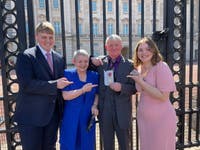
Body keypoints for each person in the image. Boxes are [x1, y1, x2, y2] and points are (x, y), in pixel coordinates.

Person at [14, 21, 72, 150]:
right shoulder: (26, 56)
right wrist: (55, 84)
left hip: (52, 116)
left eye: (50, 37)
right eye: (44, 37)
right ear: (37, 37)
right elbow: (27, 84)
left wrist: (91, 62)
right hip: (32, 117)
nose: (48, 40)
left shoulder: (59, 58)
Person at [127, 37, 177, 150]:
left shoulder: (161, 67)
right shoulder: (139, 68)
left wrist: (140, 81)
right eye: (140, 50)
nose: (144, 52)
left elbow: (163, 96)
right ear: (137, 52)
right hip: (144, 119)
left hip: (161, 119)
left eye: (147, 49)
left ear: (154, 51)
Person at [90, 34, 137, 150]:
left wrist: (122, 87)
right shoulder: (100, 63)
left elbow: (134, 88)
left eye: (116, 45)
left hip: (123, 112)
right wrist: (91, 59)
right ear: (106, 47)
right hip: (105, 113)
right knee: (107, 145)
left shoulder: (130, 65)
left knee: (125, 145)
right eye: (110, 45)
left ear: (121, 46)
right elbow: (82, 64)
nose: (113, 48)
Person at [60, 49, 99, 150]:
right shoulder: (68, 74)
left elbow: (97, 94)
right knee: (70, 143)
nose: (83, 64)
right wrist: (82, 90)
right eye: (80, 61)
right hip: (71, 116)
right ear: (74, 62)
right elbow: (65, 95)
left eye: (85, 61)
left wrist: (94, 105)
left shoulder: (94, 75)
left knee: (87, 144)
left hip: (87, 116)